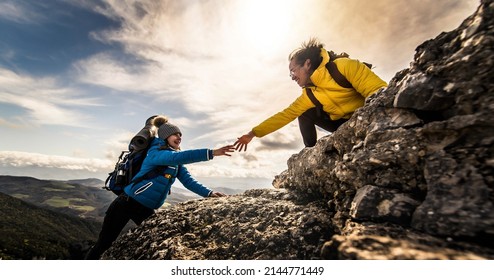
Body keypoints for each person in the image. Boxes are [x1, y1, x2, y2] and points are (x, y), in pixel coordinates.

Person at [85, 119, 235, 259]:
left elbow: (188, 181)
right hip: (126, 204)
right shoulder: (155, 152)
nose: (179, 137)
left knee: (157, 241)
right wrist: (212, 153)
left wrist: (209, 193)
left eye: (180, 135)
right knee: (104, 243)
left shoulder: (174, 158)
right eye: (175, 134)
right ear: (165, 136)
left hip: (145, 209)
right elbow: (178, 157)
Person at [234, 38, 387, 150]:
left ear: (307, 64)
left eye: (293, 71)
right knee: (304, 112)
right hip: (341, 124)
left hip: (365, 117)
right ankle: (311, 152)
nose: (292, 77)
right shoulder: (309, 94)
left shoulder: (344, 67)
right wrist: (253, 133)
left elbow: (378, 92)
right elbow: (285, 115)